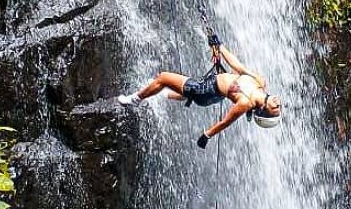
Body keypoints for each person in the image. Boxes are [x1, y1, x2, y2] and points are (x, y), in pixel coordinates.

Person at [118, 42, 282, 147]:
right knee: (182, 91)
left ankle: (135, 100)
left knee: (163, 78)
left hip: (206, 91)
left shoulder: (245, 104)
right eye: (279, 107)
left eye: (275, 109)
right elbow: (237, 65)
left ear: (263, 110)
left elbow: (225, 122)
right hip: (214, 89)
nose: (278, 104)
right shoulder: (260, 81)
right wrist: (219, 46)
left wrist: (207, 135)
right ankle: (162, 95)